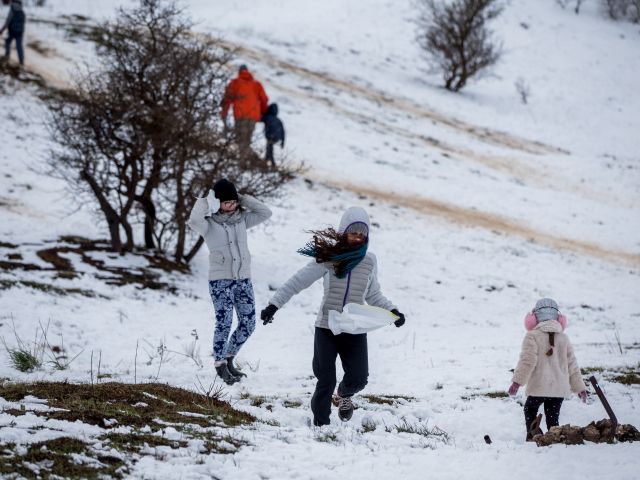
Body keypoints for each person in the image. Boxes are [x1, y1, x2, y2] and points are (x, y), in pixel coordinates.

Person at [260, 206, 406, 426]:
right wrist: (274, 305)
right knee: (325, 379)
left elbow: (373, 293)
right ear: (343, 232)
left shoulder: (369, 261)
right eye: (353, 232)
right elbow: (298, 281)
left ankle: (343, 395)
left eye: (362, 233)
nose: (358, 237)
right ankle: (321, 424)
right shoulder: (329, 258)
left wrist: (392, 311)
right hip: (327, 326)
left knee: (358, 378)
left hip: (354, 329)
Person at [187, 178, 272, 385]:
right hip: (220, 282)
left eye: (234, 201)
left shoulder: (242, 219)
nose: (231, 205)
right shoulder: (208, 224)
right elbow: (193, 220)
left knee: (248, 323)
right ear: (218, 202)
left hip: (243, 280)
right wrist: (208, 200)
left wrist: (241, 197)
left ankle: (228, 357)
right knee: (224, 323)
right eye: (227, 202)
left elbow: (265, 212)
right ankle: (219, 364)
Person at [508, 298, 588, 441]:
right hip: (558, 390)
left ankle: (533, 437)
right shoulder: (564, 338)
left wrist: (516, 383)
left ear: (534, 318)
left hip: (538, 387)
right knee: (553, 419)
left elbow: (527, 361)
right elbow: (572, 365)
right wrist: (580, 388)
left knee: (530, 410)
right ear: (559, 319)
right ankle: (553, 439)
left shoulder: (532, 336)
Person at [221, 65, 269, 159]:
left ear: (239, 72)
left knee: (241, 141)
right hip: (253, 117)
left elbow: (227, 99)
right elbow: (264, 100)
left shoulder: (235, 83)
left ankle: (243, 164)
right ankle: (247, 161)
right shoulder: (257, 84)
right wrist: (262, 114)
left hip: (240, 116)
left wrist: (224, 113)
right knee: (247, 140)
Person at [0, 0, 25, 67]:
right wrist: (21, 31)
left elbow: (8, 20)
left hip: (12, 31)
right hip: (19, 32)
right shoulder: (21, 11)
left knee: (7, 42)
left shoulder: (12, 9)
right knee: (19, 46)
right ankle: (21, 61)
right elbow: (23, 22)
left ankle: (7, 55)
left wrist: (2, 30)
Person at [261, 103, 285, 167]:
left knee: (269, 148)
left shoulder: (267, 117)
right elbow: (283, 131)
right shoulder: (278, 120)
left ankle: (272, 163)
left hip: (270, 136)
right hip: (277, 137)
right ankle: (266, 159)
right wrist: (283, 142)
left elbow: (260, 118)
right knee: (269, 147)